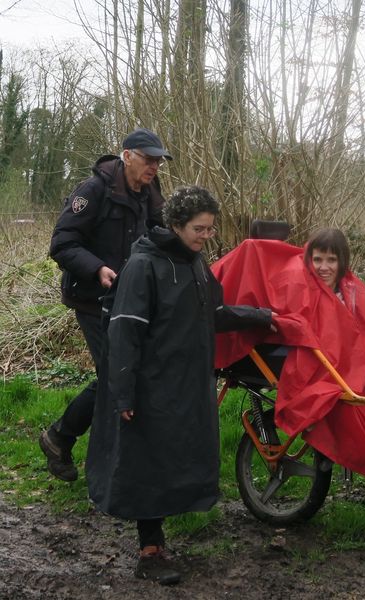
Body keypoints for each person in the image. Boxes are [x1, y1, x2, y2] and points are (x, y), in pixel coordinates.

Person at [85, 186, 275, 585]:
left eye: (210, 229)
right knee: (147, 462)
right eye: (198, 229)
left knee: (175, 457)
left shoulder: (194, 263)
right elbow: (124, 333)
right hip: (151, 384)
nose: (206, 236)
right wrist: (123, 392)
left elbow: (215, 313)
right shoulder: (143, 266)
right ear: (174, 224)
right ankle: (150, 550)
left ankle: (162, 538)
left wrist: (261, 317)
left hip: (188, 383)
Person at [212, 228, 365, 486]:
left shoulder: (350, 289)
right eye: (317, 260)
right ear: (309, 259)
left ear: (342, 262)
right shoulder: (299, 282)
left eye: (331, 260)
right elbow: (294, 318)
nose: (324, 267)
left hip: (344, 359)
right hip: (312, 358)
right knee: (341, 400)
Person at [40, 128, 171, 482]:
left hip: (132, 300)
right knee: (117, 375)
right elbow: (62, 244)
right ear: (127, 155)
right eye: (148, 159)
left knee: (128, 373)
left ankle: (70, 441)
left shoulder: (149, 192)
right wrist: (97, 267)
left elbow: (161, 234)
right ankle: (67, 440)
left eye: (159, 161)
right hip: (92, 299)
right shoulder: (92, 191)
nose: (154, 167)